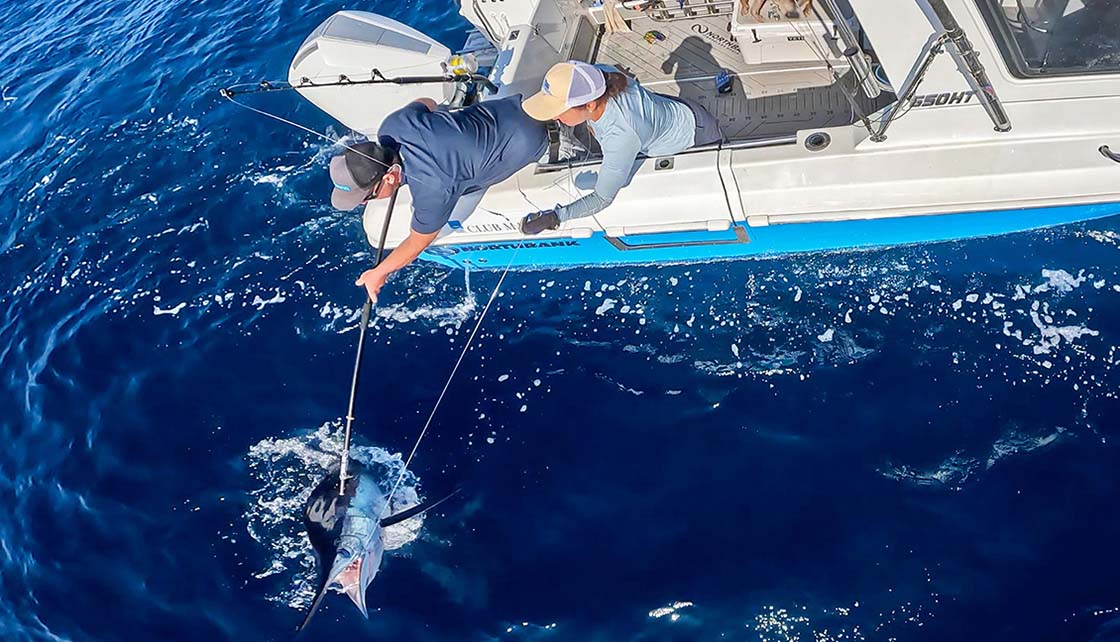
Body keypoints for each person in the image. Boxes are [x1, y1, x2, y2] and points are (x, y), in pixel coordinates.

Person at [330, 95, 548, 300]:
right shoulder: (392, 126)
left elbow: (418, 242)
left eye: (367, 197)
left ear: (389, 178)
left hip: (539, 139)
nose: (365, 203)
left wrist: (379, 273)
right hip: (521, 105)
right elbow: (427, 102)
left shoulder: (432, 189)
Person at [518, 60, 724, 234]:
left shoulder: (622, 137)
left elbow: (602, 198)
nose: (554, 117)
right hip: (680, 108)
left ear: (590, 105)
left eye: (558, 110)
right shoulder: (602, 73)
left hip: (698, 135)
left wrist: (555, 216)